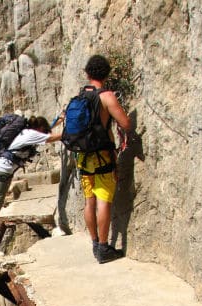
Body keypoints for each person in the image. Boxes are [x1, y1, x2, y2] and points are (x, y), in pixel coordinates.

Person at [0, 115, 64, 247]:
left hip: (2, 169)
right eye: (44, 130)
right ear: (39, 128)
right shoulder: (30, 134)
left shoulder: (26, 132)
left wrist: (58, 121)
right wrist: (70, 133)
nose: (45, 132)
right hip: (2, 170)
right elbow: (49, 138)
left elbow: (46, 132)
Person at [77, 55, 132, 264]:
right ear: (107, 74)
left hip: (83, 156)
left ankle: (94, 243)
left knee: (89, 200)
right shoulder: (107, 97)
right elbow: (125, 124)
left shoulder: (80, 96)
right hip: (102, 156)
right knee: (103, 200)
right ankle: (103, 247)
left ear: (87, 74)